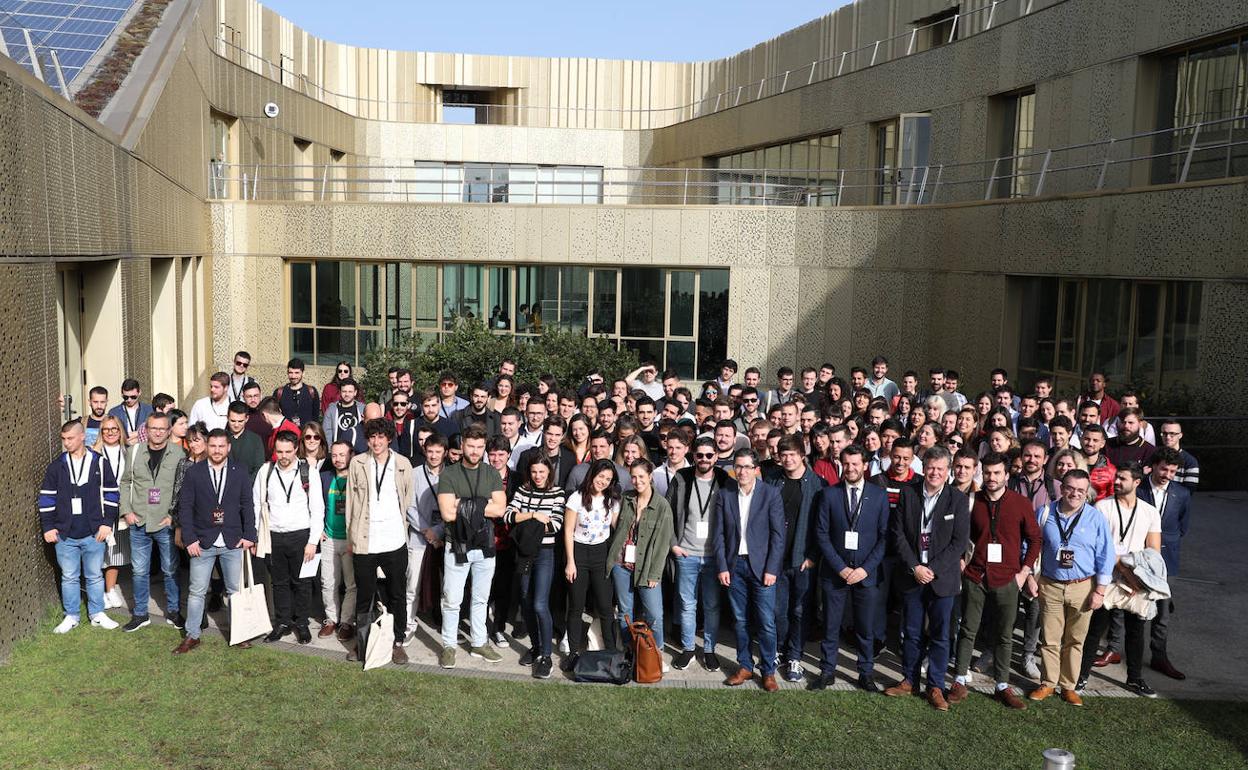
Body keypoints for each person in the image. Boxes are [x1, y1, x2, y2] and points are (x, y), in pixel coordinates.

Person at [947, 452, 1041, 710]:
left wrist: (1024, 572)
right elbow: (959, 535)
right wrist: (962, 564)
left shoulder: (1020, 503)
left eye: (997, 473)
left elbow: (1035, 539)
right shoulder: (972, 501)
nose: (991, 477)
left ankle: (1002, 684)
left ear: (1007, 474)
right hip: (976, 575)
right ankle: (959, 679)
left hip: (1008, 578)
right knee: (968, 629)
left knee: (1004, 634)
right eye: (987, 473)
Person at [883, 446, 969, 710]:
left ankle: (935, 685)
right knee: (911, 632)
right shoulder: (908, 493)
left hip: (942, 579)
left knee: (941, 635)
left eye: (940, 469)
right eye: (931, 467)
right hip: (913, 576)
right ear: (924, 468)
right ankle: (909, 680)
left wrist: (931, 568)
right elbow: (897, 534)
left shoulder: (957, 499)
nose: (934, 473)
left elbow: (959, 542)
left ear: (947, 472)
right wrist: (915, 567)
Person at [1077, 463, 1162, 697]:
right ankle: (1081, 677)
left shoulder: (1149, 512)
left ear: (1137, 482)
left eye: (1122, 478)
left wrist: (1139, 578)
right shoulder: (1103, 507)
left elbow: (1153, 550)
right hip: (1107, 578)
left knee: (1135, 632)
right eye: (1116, 478)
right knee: (1095, 629)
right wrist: (1126, 573)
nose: (1116, 482)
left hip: (1137, 580)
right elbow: (1101, 546)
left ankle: (1135, 679)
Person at [809, 445, 890, 692]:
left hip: (866, 575)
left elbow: (884, 536)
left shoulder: (878, 495)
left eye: (856, 463)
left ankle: (865, 673)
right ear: (841, 465)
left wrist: (864, 570)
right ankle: (827, 670)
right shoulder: (829, 495)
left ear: (865, 465)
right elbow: (821, 534)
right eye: (847, 463)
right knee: (831, 626)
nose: (851, 468)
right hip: (836, 574)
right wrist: (841, 568)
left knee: (865, 629)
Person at [1029, 469, 1113, 705]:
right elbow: (1031, 544)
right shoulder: (1044, 513)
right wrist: (1029, 577)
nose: (1074, 494)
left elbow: (1105, 555)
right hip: (1050, 584)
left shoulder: (1095, 518)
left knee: (1075, 640)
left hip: (1082, 586)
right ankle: (1048, 682)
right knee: (1050, 639)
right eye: (1070, 488)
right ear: (1061, 488)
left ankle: (1068, 685)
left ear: (1087, 493)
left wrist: (1100, 590)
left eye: (1080, 490)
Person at [174, 429, 257, 653]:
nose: (217, 450)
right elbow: (185, 507)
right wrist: (189, 539)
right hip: (202, 541)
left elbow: (247, 505)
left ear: (228, 447)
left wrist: (250, 535)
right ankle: (192, 635)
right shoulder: (194, 472)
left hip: (232, 540)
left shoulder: (239, 471)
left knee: (234, 592)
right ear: (207, 446)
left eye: (221, 446)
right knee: (196, 591)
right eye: (213, 446)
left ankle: (238, 634)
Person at [712, 448, 786, 692]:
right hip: (735, 567)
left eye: (746, 467)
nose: (742, 471)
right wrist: (723, 566)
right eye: (738, 466)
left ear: (756, 469)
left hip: (762, 567)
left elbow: (778, 536)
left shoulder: (770, 494)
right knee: (741, 621)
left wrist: (772, 568)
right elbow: (719, 535)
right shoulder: (725, 494)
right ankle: (745, 665)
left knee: (766, 622)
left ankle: (768, 671)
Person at [436, 425, 508, 669]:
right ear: (463, 445)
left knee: (481, 598)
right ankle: (448, 645)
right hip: (457, 544)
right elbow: (447, 513)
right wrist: (480, 504)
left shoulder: (491, 473)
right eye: (471, 446)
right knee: (452, 599)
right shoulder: (449, 474)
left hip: (485, 544)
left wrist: (463, 504)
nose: (475, 451)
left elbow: (500, 509)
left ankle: (479, 641)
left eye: (479, 447)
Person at [41, 420, 120, 634]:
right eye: (63, 439)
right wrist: (48, 526)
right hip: (65, 534)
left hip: (93, 532)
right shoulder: (57, 466)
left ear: (82, 436)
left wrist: (106, 523)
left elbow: (112, 494)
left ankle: (97, 613)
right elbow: (47, 499)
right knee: (69, 576)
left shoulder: (100, 463)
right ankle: (72, 616)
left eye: (70, 438)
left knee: (94, 575)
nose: (66, 443)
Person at [344, 418, 413, 665]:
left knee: (396, 594)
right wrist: (352, 536)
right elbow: (351, 502)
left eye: (381, 437)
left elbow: (406, 499)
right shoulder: (357, 463)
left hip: (394, 540)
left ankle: (397, 643)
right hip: (365, 540)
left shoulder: (403, 464)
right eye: (372, 437)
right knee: (364, 594)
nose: (376, 441)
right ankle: (362, 644)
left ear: (389, 439)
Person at [765, 434, 826, 683]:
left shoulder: (817, 484)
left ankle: (795, 656)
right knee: (778, 610)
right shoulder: (772, 482)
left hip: (802, 560)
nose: (788, 459)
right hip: (777, 560)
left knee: (800, 611)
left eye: (793, 454)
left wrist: (812, 556)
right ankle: (779, 648)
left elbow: (822, 526)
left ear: (803, 455)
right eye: (784, 454)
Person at [253, 430, 324, 645]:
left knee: (302, 583)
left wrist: (312, 541)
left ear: (296, 450)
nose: (283, 456)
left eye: (288, 451)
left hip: (301, 535)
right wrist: (258, 537)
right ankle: (283, 622)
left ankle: (302, 623)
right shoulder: (266, 471)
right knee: (279, 583)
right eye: (279, 451)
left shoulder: (308, 472)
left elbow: (317, 508)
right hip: (274, 536)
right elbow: (257, 505)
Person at [117, 412, 186, 631]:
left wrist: (174, 517)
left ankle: (174, 612)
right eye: (153, 428)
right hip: (139, 520)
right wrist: (126, 511)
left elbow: (182, 488)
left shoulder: (178, 453)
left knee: (170, 569)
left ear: (169, 431)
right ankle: (140, 614)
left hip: (165, 522)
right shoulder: (134, 451)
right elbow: (125, 482)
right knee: (139, 571)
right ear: (146, 429)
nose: (157, 432)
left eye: (162, 428)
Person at [668, 436, 729, 671]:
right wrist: (674, 544)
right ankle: (688, 648)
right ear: (693, 455)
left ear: (716, 456)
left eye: (708, 455)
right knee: (686, 603)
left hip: (714, 556)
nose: (704, 459)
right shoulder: (682, 477)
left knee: (712, 605)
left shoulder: (724, 480)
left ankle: (710, 649)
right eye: (699, 455)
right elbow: (668, 514)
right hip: (687, 554)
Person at [607, 460, 674, 670]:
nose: (637, 481)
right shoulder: (626, 498)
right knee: (625, 612)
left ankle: (657, 652)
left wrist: (655, 574)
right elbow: (617, 526)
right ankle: (630, 651)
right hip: (621, 562)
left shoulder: (662, 505)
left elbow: (663, 544)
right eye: (633, 477)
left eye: (641, 477)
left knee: (653, 613)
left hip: (647, 567)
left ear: (650, 477)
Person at [503, 456, 566, 679]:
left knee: (540, 604)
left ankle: (547, 656)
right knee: (526, 601)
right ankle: (536, 647)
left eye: (542, 472)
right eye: (534, 472)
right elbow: (508, 516)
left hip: (545, 554)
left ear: (549, 472)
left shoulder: (557, 493)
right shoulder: (522, 490)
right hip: (523, 553)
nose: (538, 476)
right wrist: (534, 516)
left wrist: (526, 523)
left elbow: (556, 525)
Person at [1137, 448, 1193, 681]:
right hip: (1137, 555)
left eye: (1172, 471)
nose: (1167, 474)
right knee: (1130, 608)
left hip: (1167, 561)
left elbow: (1182, 527)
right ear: (1153, 466)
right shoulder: (1138, 489)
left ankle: (1159, 656)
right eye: (1164, 469)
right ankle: (1115, 650)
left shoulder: (1182, 494)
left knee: (1162, 614)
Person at [562, 458, 622, 672]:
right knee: (576, 607)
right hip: (578, 552)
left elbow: (617, 527)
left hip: (601, 554)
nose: (603, 481)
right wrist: (570, 562)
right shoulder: (576, 498)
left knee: (606, 607)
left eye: (608, 479)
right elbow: (568, 530)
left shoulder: (612, 500)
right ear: (592, 475)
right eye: (600, 476)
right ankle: (573, 652)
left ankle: (611, 652)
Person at [400, 432, 446, 644]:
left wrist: (438, 531)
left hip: (444, 538)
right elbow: (409, 505)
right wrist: (427, 530)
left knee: (446, 585)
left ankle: (447, 625)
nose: (434, 456)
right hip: (419, 537)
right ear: (424, 451)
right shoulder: (414, 473)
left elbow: (455, 507)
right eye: (430, 451)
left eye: (438, 451)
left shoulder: (453, 474)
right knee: (412, 584)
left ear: (445, 452)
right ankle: (408, 623)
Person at [319, 439, 356, 641]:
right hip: (329, 538)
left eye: (342, 454)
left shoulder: (357, 477)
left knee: (351, 584)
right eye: (334, 455)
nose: (338, 459)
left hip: (350, 539)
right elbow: (316, 505)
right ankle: (331, 619)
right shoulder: (324, 477)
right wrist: (318, 529)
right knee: (328, 582)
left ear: (351, 454)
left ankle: (347, 621)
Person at [92, 415, 130, 611]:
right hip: (99, 508)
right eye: (106, 429)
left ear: (120, 430)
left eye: (114, 428)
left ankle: (111, 589)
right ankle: (98, 591)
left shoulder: (128, 453)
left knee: (115, 552)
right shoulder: (94, 453)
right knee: (98, 552)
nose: (110, 432)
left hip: (120, 509)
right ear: (101, 432)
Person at [322, 377, 367, 454]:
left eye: (350, 391)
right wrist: (330, 450)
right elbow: (326, 431)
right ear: (340, 392)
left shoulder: (362, 408)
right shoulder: (332, 409)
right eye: (344, 391)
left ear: (355, 392)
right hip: (338, 452)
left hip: (358, 452)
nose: (347, 394)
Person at [273, 358, 321, 427]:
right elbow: (275, 416)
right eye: (290, 373)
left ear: (303, 373)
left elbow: (315, 418)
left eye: (297, 373)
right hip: (286, 434)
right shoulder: (279, 392)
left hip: (306, 435)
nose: (293, 376)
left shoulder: (312, 392)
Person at [1156, 419, 1199, 492]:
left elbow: (1189, 490)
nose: (1168, 437)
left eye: (1172, 433)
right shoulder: (1154, 456)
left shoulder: (1190, 461)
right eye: (1164, 433)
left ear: (1180, 435)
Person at [226, 401, 265, 479]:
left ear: (247, 418)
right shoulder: (220, 438)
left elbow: (259, 468)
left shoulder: (255, 440)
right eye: (233, 421)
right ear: (227, 418)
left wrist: (246, 485)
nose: (236, 425)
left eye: (240, 421)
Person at [108, 378, 153, 445]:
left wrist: (138, 435)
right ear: (122, 394)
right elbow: (110, 433)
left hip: (143, 449)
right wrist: (124, 440)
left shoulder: (149, 410)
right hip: (122, 449)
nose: (129, 400)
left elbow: (154, 431)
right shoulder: (114, 412)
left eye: (133, 397)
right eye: (126, 397)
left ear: (139, 392)